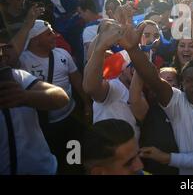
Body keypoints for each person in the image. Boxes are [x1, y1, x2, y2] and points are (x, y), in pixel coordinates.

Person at [116, 3, 193, 174]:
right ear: (182, 84)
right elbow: (153, 79)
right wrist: (133, 50)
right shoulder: (177, 103)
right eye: (189, 80)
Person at [18, 19, 90, 174]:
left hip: (70, 119)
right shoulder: (22, 61)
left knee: (74, 154)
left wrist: (87, 104)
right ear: (36, 39)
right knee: (52, 159)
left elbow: (77, 81)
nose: (55, 36)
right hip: (40, 126)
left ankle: (75, 170)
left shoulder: (63, 54)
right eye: (49, 34)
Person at [1, 42, 70, 175]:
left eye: (5, 48)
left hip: (46, 168)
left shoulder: (17, 77)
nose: (4, 54)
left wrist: (25, 97)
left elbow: (62, 97)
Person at [83, 21, 140, 139]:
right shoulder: (112, 86)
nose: (134, 71)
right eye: (131, 66)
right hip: (108, 153)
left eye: (136, 67)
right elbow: (91, 87)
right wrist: (101, 45)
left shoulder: (140, 90)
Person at [78, 0, 103, 65]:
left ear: (87, 11)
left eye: (80, 13)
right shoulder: (107, 21)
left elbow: (92, 52)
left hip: (93, 67)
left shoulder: (88, 29)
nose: (80, 16)